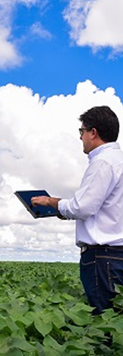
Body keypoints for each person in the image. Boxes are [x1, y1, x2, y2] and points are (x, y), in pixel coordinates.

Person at [31, 105, 123, 314]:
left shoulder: (103, 163)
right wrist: (65, 211)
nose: (80, 137)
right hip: (117, 254)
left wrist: (51, 202)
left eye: (81, 131)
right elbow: (107, 208)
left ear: (93, 132)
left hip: (103, 257)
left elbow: (83, 207)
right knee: (117, 319)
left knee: (104, 321)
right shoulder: (118, 160)